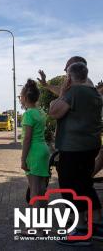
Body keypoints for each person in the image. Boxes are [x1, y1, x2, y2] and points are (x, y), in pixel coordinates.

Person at [49, 62, 103, 246]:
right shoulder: (95, 93)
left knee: (71, 188)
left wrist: (63, 92)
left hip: (73, 148)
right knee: (85, 185)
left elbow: (54, 112)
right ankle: (95, 225)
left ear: (70, 77)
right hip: (91, 146)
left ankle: (81, 230)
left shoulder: (74, 93)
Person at [20, 79, 50, 206]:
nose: (20, 99)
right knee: (42, 190)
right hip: (43, 150)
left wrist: (23, 159)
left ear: (25, 97)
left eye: (20, 96)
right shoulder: (41, 112)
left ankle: (34, 224)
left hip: (34, 152)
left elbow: (27, 138)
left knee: (34, 191)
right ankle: (42, 223)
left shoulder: (28, 114)